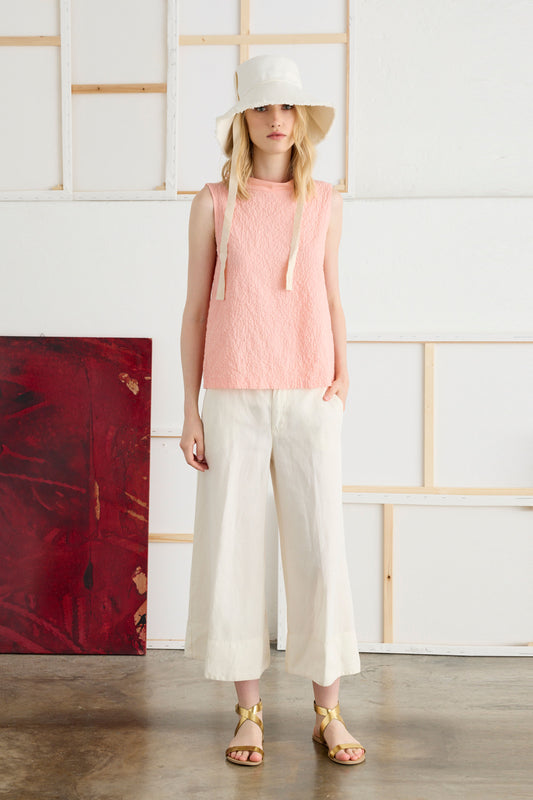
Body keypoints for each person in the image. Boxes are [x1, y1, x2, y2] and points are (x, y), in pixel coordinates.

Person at [179, 54, 366, 767]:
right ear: (243, 120)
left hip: (310, 392)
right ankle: (248, 712)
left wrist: (343, 371)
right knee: (234, 549)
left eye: (287, 107)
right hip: (231, 395)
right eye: (261, 107)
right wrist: (190, 410)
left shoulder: (324, 202)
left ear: (301, 118)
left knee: (320, 547)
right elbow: (195, 312)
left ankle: (328, 712)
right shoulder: (212, 203)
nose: (276, 120)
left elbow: (331, 293)